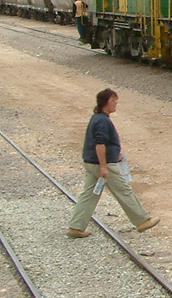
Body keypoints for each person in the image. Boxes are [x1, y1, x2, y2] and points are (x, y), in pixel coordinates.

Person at [67, 88, 159, 237]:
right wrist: (104, 166)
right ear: (105, 102)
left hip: (92, 162)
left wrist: (115, 155)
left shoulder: (97, 118)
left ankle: (76, 227)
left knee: (89, 195)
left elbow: (102, 145)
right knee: (123, 191)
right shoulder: (103, 121)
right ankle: (142, 220)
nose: (116, 103)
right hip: (102, 165)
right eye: (113, 100)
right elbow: (100, 144)